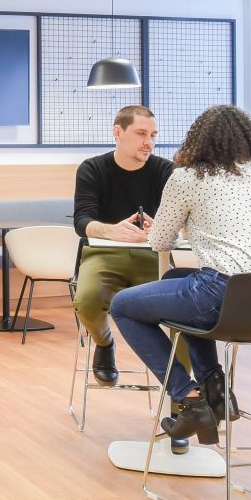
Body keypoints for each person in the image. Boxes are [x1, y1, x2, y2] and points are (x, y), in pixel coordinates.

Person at [108, 104, 251, 450]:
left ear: (198, 140)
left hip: (223, 295)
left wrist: (178, 225)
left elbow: (159, 241)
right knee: (176, 277)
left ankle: (189, 399)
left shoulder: (187, 177)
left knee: (122, 306)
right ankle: (214, 387)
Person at [72, 104, 173, 388]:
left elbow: (184, 222)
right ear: (118, 132)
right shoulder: (92, 168)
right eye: (141, 133)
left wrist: (161, 227)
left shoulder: (167, 171)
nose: (148, 142)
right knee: (87, 301)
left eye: (153, 135)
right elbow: (82, 221)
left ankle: (181, 393)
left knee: (185, 311)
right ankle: (105, 343)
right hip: (104, 254)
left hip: (154, 255)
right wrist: (112, 230)